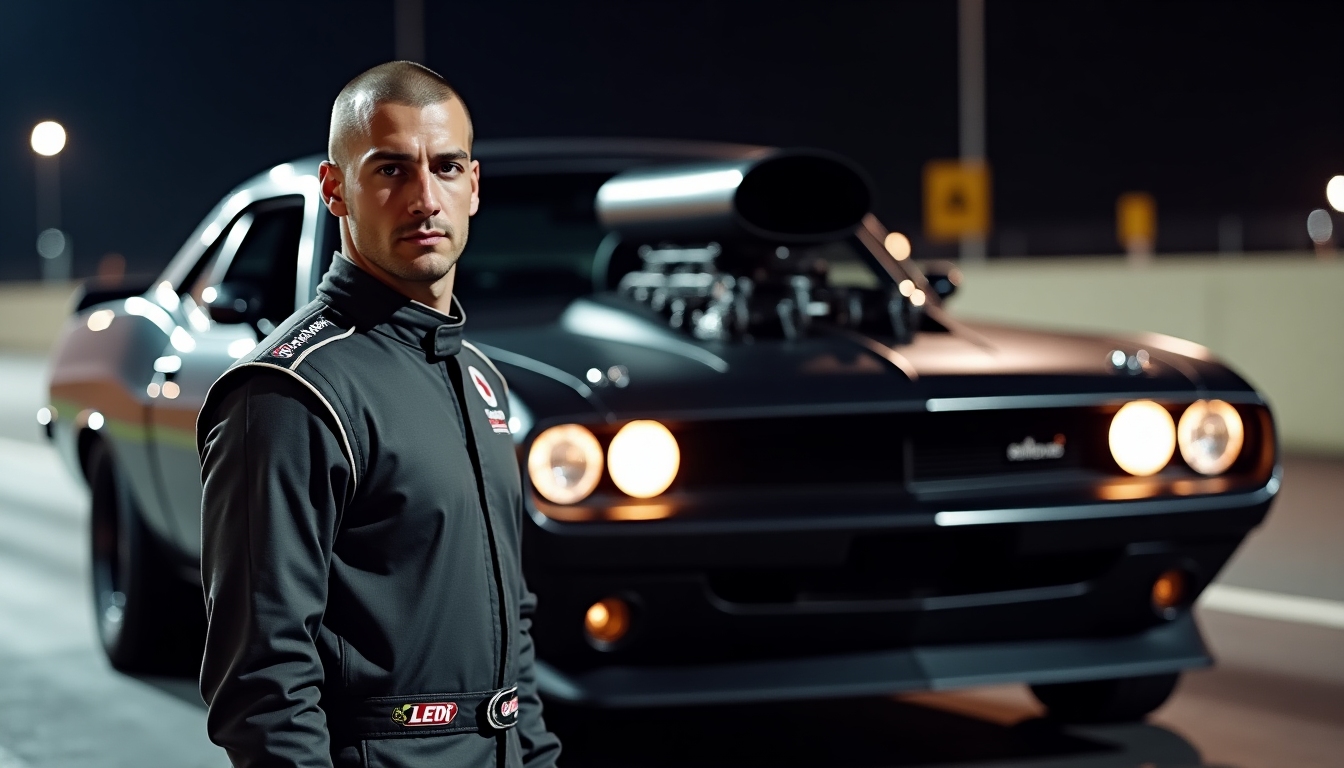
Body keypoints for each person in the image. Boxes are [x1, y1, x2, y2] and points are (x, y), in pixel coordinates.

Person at [197, 61, 562, 768]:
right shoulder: (289, 395)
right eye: (391, 170)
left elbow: (512, 625)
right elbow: (263, 684)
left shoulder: (479, 379)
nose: (426, 198)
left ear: (475, 186)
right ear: (337, 190)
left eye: (447, 167)